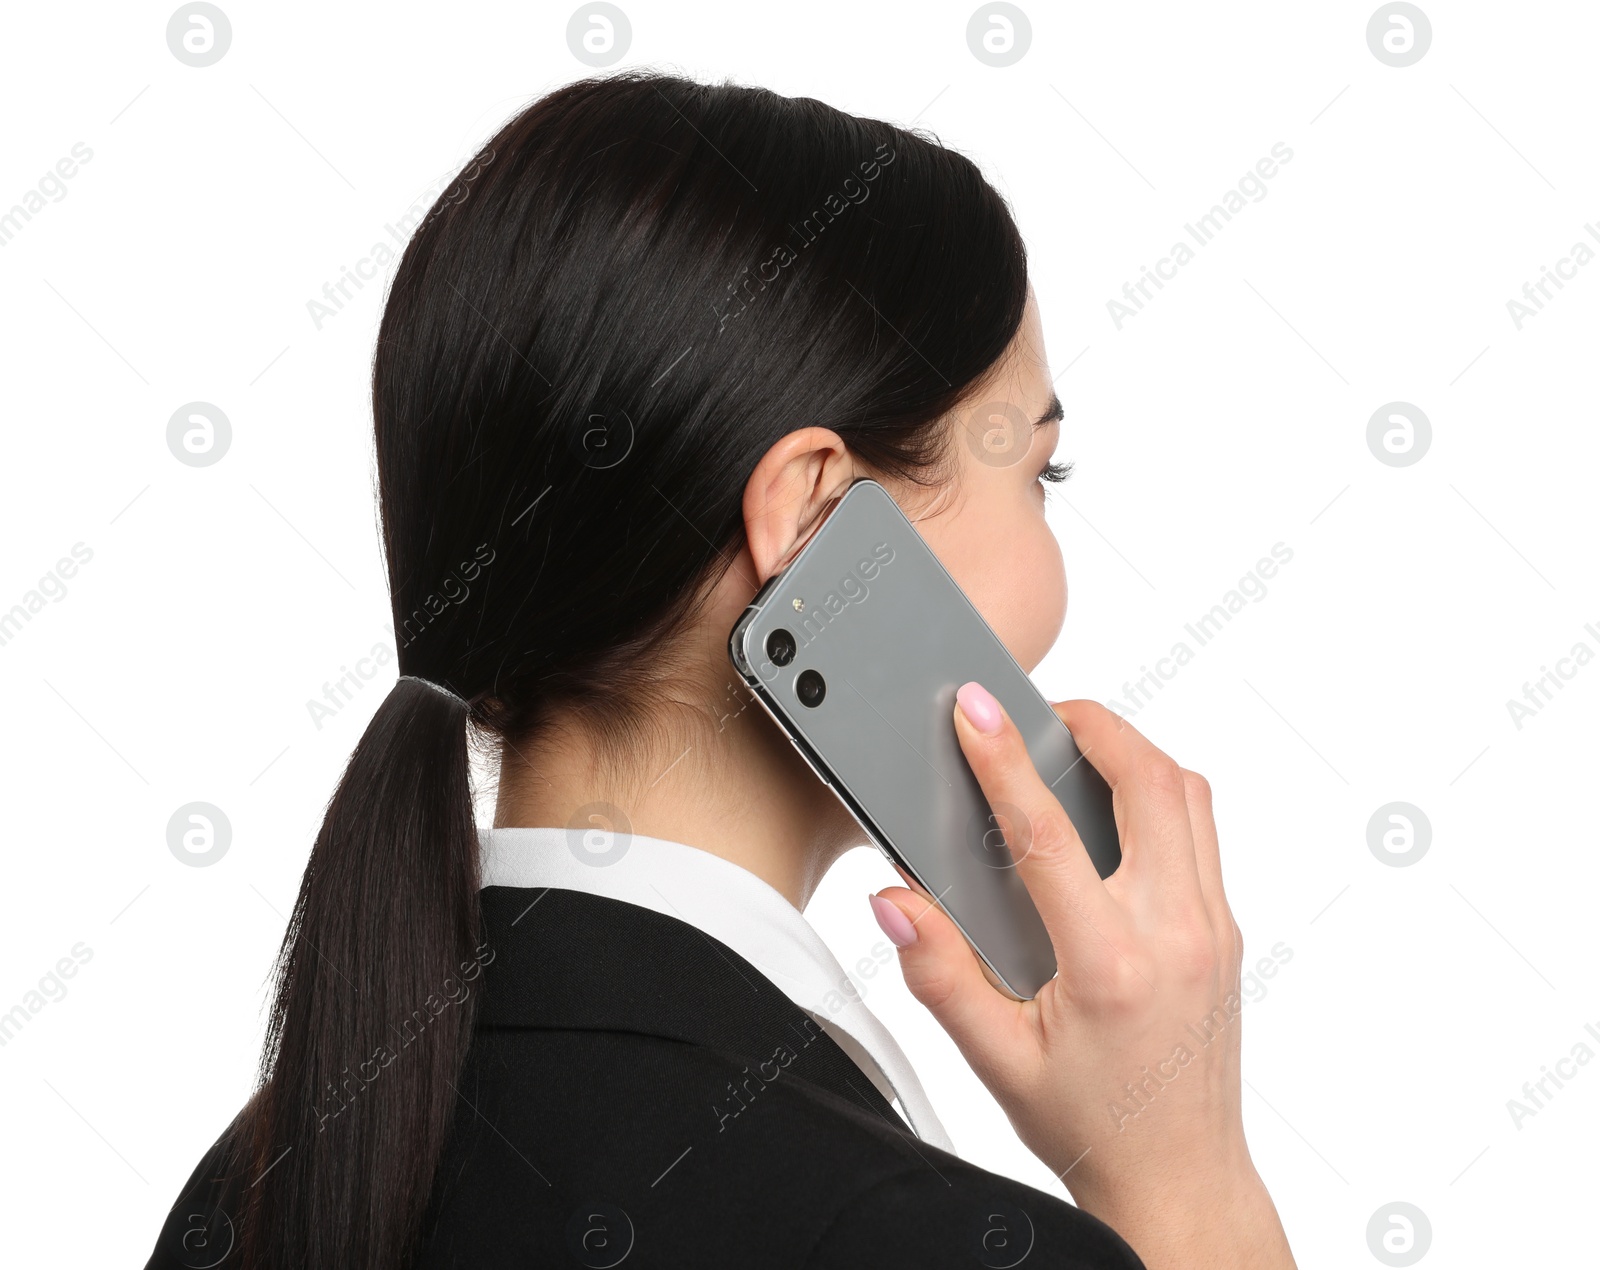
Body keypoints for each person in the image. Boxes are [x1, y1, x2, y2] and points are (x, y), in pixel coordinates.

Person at [143, 70, 1296, 1270]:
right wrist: (1181, 1176)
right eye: (1033, 477)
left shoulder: (254, 1187)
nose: (1052, 586)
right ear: (813, 525)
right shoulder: (918, 1238)